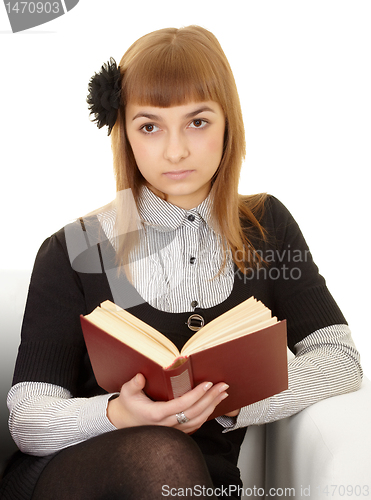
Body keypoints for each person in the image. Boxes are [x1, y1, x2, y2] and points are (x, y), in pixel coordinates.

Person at [0, 25, 363, 500]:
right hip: (78, 477)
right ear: (125, 134)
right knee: (159, 452)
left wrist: (230, 404)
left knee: (176, 468)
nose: (175, 151)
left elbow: (342, 361)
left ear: (228, 122)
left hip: (199, 483)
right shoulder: (75, 248)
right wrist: (117, 414)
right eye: (150, 126)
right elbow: (28, 418)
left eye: (197, 122)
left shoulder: (266, 226)